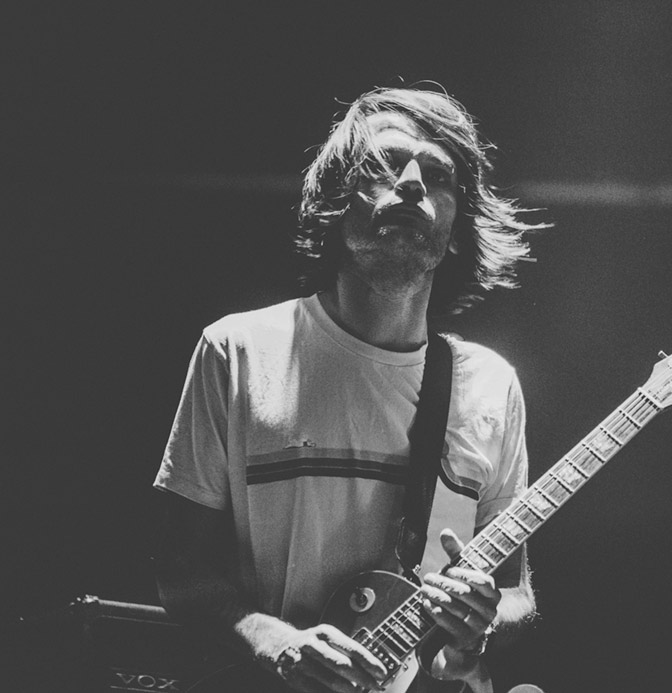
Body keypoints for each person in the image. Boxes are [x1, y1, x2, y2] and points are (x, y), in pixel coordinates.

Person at [152, 86, 544, 693]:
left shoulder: (490, 385)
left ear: (455, 230)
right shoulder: (238, 350)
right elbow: (179, 570)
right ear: (336, 202)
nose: (410, 183)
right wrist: (274, 641)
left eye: (437, 175)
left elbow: (516, 594)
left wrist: (483, 620)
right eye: (385, 164)